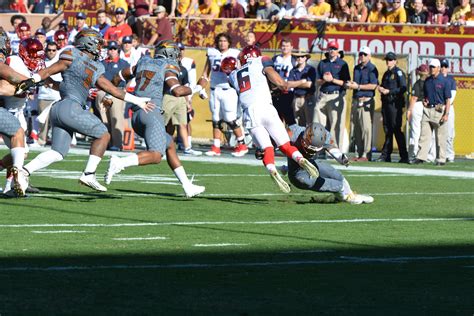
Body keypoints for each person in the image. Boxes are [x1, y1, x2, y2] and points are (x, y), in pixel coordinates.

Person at [18, 29, 154, 193]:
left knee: (57, 152)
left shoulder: (71, 54)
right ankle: (89, 174)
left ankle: (22, 172)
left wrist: (33, 79)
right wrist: (138, 100)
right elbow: (114, 90)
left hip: (58, 108)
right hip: (71, 108)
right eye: (97, 43)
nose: (99, 47)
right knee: (103, 135)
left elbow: (50, 73)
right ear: (88, 43)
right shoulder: (93, 65)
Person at [106, 40, 205, 198]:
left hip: (137, 114)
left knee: (170, 144)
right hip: (151, 112)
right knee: (156, 155)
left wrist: (108, 95)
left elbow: (119, 76)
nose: (177, 57)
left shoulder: (144, 62)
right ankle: (119, 163)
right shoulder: (167, 66)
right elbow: (178, 91)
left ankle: (187, 186)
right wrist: (199, 87)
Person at [223, 47, 319, 193]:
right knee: (285, 145)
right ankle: (300, 159)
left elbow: (249, 84)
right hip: (266, 107)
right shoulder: (262, 60)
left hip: (249, 113)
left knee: (266, 148)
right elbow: (279, 82)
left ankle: (272, 168)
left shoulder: (233, 76)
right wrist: (284, 85)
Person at [285, 123, 374, 204]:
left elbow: (331, 147)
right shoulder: (293, 133)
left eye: (314, 149)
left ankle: (350, 195)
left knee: (337, 176)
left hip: (312, 163)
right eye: (309, 147)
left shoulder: (325, 136)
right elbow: (277, 141)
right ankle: (346, 197)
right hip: (298, 173)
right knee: (336, 185)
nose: (310, 151)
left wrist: (341, 157)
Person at [195, 33, 248, 157]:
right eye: (220, 41)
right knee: (216, 119)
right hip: (215, 89)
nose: (222, 43)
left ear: (229, 42)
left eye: (224, 41)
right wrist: (201, 88)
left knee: (230, 119)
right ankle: (216, 147)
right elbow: (205, 73)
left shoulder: (235, 54)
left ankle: (242, 144)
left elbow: (241, 71)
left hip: (229, 90)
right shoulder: (212, 52)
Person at [412, 58, 451, 166]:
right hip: (428, 110)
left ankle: (441, 159)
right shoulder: (427, 81)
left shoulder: (445, 81)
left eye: (433, 67)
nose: (431, 68)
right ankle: (420, 157)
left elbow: (448, 100)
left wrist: (446, 114)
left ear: (438, 68)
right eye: (430, 67)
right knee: (424, 135)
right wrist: (425, 100)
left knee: (440, 137)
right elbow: (425, 95)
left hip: (439, 110)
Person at [315, 40, 351, 149]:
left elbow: (346, 84)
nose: (332, 50)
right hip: (323, 95)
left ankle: (334, 150)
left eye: (334, 49)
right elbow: (316, 81)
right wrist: (324, 80)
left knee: (336, 125)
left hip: (336, 95)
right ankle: (317, 148)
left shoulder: (342, 64)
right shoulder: (322, 63)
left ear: (338, 51)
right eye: (330, 48)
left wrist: (332, 80)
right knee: (317, 123)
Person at [96, 40, 130, 151]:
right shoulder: (102, 63)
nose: (111, 51)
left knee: (116, 117)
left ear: (118, 51)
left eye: (114, 49)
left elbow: (131, 77)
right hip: (102, 91)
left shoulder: (123, 63)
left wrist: (125, 88)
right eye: (110, 49)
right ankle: (106, 142)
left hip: (117, 92)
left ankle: (117, 143)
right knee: (104, 118)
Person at [345, 46, 378, 162]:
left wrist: (358, 86)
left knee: (366, 129)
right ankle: (359, 153)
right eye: (361, 54)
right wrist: (352, 85)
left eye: (364, 54)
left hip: (366, 101)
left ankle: (366, 154)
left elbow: (374, 85)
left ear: (369, 56)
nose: (362, 56)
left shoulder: (372, 68)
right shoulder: (356, 68)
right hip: (356, 100)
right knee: (357, 128)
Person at [377, 52, 409, 163]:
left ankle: (404, 155)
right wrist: (381, 89)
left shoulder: (398, 73)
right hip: (386, 104)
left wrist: (389, 91)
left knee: (396, 129)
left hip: (395, 105)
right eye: (387, 60)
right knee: (387, 130)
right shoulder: (386, 74)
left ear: (395, 61)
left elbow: (403, 88)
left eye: (390, 60)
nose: (388, 62)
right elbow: (383, 87)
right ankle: (386, 155)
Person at [36, 41, 62, 146]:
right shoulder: (41, 63)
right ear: (45, 51)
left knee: (58, 121)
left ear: (57, 51)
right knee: (43, 121)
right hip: (44, 95)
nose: (51, 52)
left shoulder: (60, 62)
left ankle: (58, 142)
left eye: (53, 50)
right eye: (49, 50)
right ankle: (42, 140)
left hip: (57, 95)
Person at [271, 38, 297, 126]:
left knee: (289, 118)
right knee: (276, 118)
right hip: (275, 91)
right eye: (283, 46)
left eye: (287, 46)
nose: (285, 48)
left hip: (288, 92)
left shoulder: (294, 60)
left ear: (291, 47)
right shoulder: (275, 58)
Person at [288, 50, 316, 127]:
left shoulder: (311, 69)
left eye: (302, 56)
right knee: (298, 123)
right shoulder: (293, 70)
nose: (300, 58)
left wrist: (295, 84)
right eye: (298, 56)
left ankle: (309, 139)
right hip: (296, 98)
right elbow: (289, 85)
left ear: (306, 58)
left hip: (308, 98)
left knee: (310, 123)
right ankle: (300, 139)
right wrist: (301, 81)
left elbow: (309, 84)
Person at [406, 63, 429, 160]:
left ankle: (414, 154)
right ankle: (425, 154)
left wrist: (409, 110)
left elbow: (414, 98)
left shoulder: (418, 83)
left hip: (418, 105)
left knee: (415, 131)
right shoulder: (429, 83)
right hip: (427, 106)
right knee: (426, 132)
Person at [440, 59, 456, 162]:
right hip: (438, 107)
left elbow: (453, 95)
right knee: (437, 133)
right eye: (442, 66)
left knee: (449, 133)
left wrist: (446, 106)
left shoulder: (451, 80)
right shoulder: (436, 79)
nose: (443, 68)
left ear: (448, 68)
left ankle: (449, 154)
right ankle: (439, 154)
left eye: (445, 66)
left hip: (449, 107)